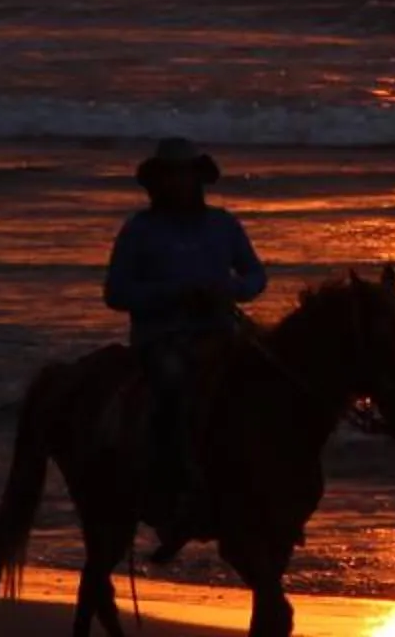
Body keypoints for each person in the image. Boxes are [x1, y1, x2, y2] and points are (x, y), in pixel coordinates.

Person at [104, 137, 268, 557]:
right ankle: (173, 492)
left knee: (273, 380)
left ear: (199, 179)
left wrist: (228, 289)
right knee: (174, 387)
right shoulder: (140, 229)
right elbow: (117, 292)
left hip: (220, 332)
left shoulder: (224, 225)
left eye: (187, 175)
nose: (180, 183)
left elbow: (255, 277)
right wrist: (173, 294)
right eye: (172, 176)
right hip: (163, 338)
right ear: (158, 182)